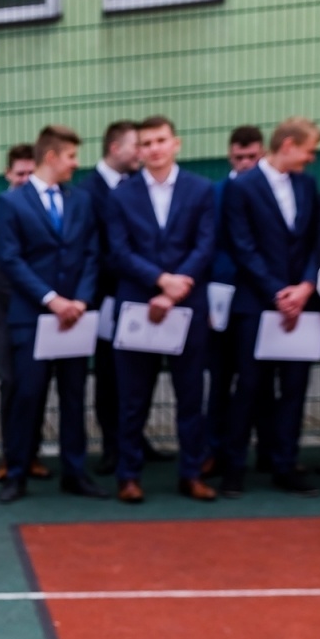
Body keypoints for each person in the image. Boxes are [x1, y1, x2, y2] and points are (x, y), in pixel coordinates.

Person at [104, 116, 218, 503]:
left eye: (161, 140)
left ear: (176, 143)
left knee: (190, 397)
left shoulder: (202, 189)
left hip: (187, 308)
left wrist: (174, 288)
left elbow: (206, 245)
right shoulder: (121, 194)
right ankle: (129, 476)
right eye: (147, 143)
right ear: (138, 150)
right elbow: (118, 251)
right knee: (133, 400)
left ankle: (191, 473)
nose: (154, 148)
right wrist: (159, 281)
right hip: (139, 307)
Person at [0, 125, 105, 503]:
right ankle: (18, 473)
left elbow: (92, 253)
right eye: (71, 156)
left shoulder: (80, 200)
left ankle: (75, 473)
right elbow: (10, 259)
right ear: (52, 157)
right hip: (34, 317)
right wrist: (52, 299)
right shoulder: (11, 204)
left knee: (74, 397)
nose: (76, 164)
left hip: (75, 316)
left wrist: (82, 301)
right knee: (28, 397)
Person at [220, 116, 320, 497]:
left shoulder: (307, 185)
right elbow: (241, 245)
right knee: (248, 386)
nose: (311, 158)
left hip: (302, 305)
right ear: (289, 145)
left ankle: (285, 464)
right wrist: (278, 293)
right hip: (256, 305)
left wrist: (306, 287)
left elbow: (316, 241)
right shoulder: (242, 188)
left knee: (295, 387)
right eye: (309, 150)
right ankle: (234, 468)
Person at [0, 144, 50, 482]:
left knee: (35, 386)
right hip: (10, 314)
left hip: (42, 313)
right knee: (11, 384)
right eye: (19, 174)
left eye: (30, 173)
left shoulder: (41, 210)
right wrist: (35, 298)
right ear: (8, 174)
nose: (24, 179)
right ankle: (11, 457)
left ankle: (32, 454)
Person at [206, 126, 268, 477]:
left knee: (259, 379)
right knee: (219, 378)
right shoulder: (214, 194)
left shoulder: (269, 193)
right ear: (230, 156)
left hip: (262, 299)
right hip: (222, 300)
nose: (245, 163)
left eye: (252, 157)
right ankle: (215, 450)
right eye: (239, 157)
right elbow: (207, 246)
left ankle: (267, 451)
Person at [80, 120, 139, 474]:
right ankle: (111, 445)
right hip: (104, 299)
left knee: (136, 376)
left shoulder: (137, 186)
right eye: (137, 145)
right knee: (108, 375)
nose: (142, 152)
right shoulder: (88, 192)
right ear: (116, 148)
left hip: (138, 297)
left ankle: (135, 439)